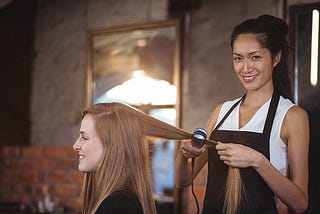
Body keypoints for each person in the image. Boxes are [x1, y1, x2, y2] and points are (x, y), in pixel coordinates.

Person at [176, 14, 309, 214]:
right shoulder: (221, 111)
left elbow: (300, 203)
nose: (245, 68)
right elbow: (183, 181)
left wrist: (257, 161)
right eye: (238, 58)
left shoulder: (291, 116)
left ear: (276, 58)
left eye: (255, 57)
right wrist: (183, 153)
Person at [73, 102, 195, 214]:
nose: (75, 146)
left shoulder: (117, 205)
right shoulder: (120, 201)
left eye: (84, 137)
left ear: (112, 145)